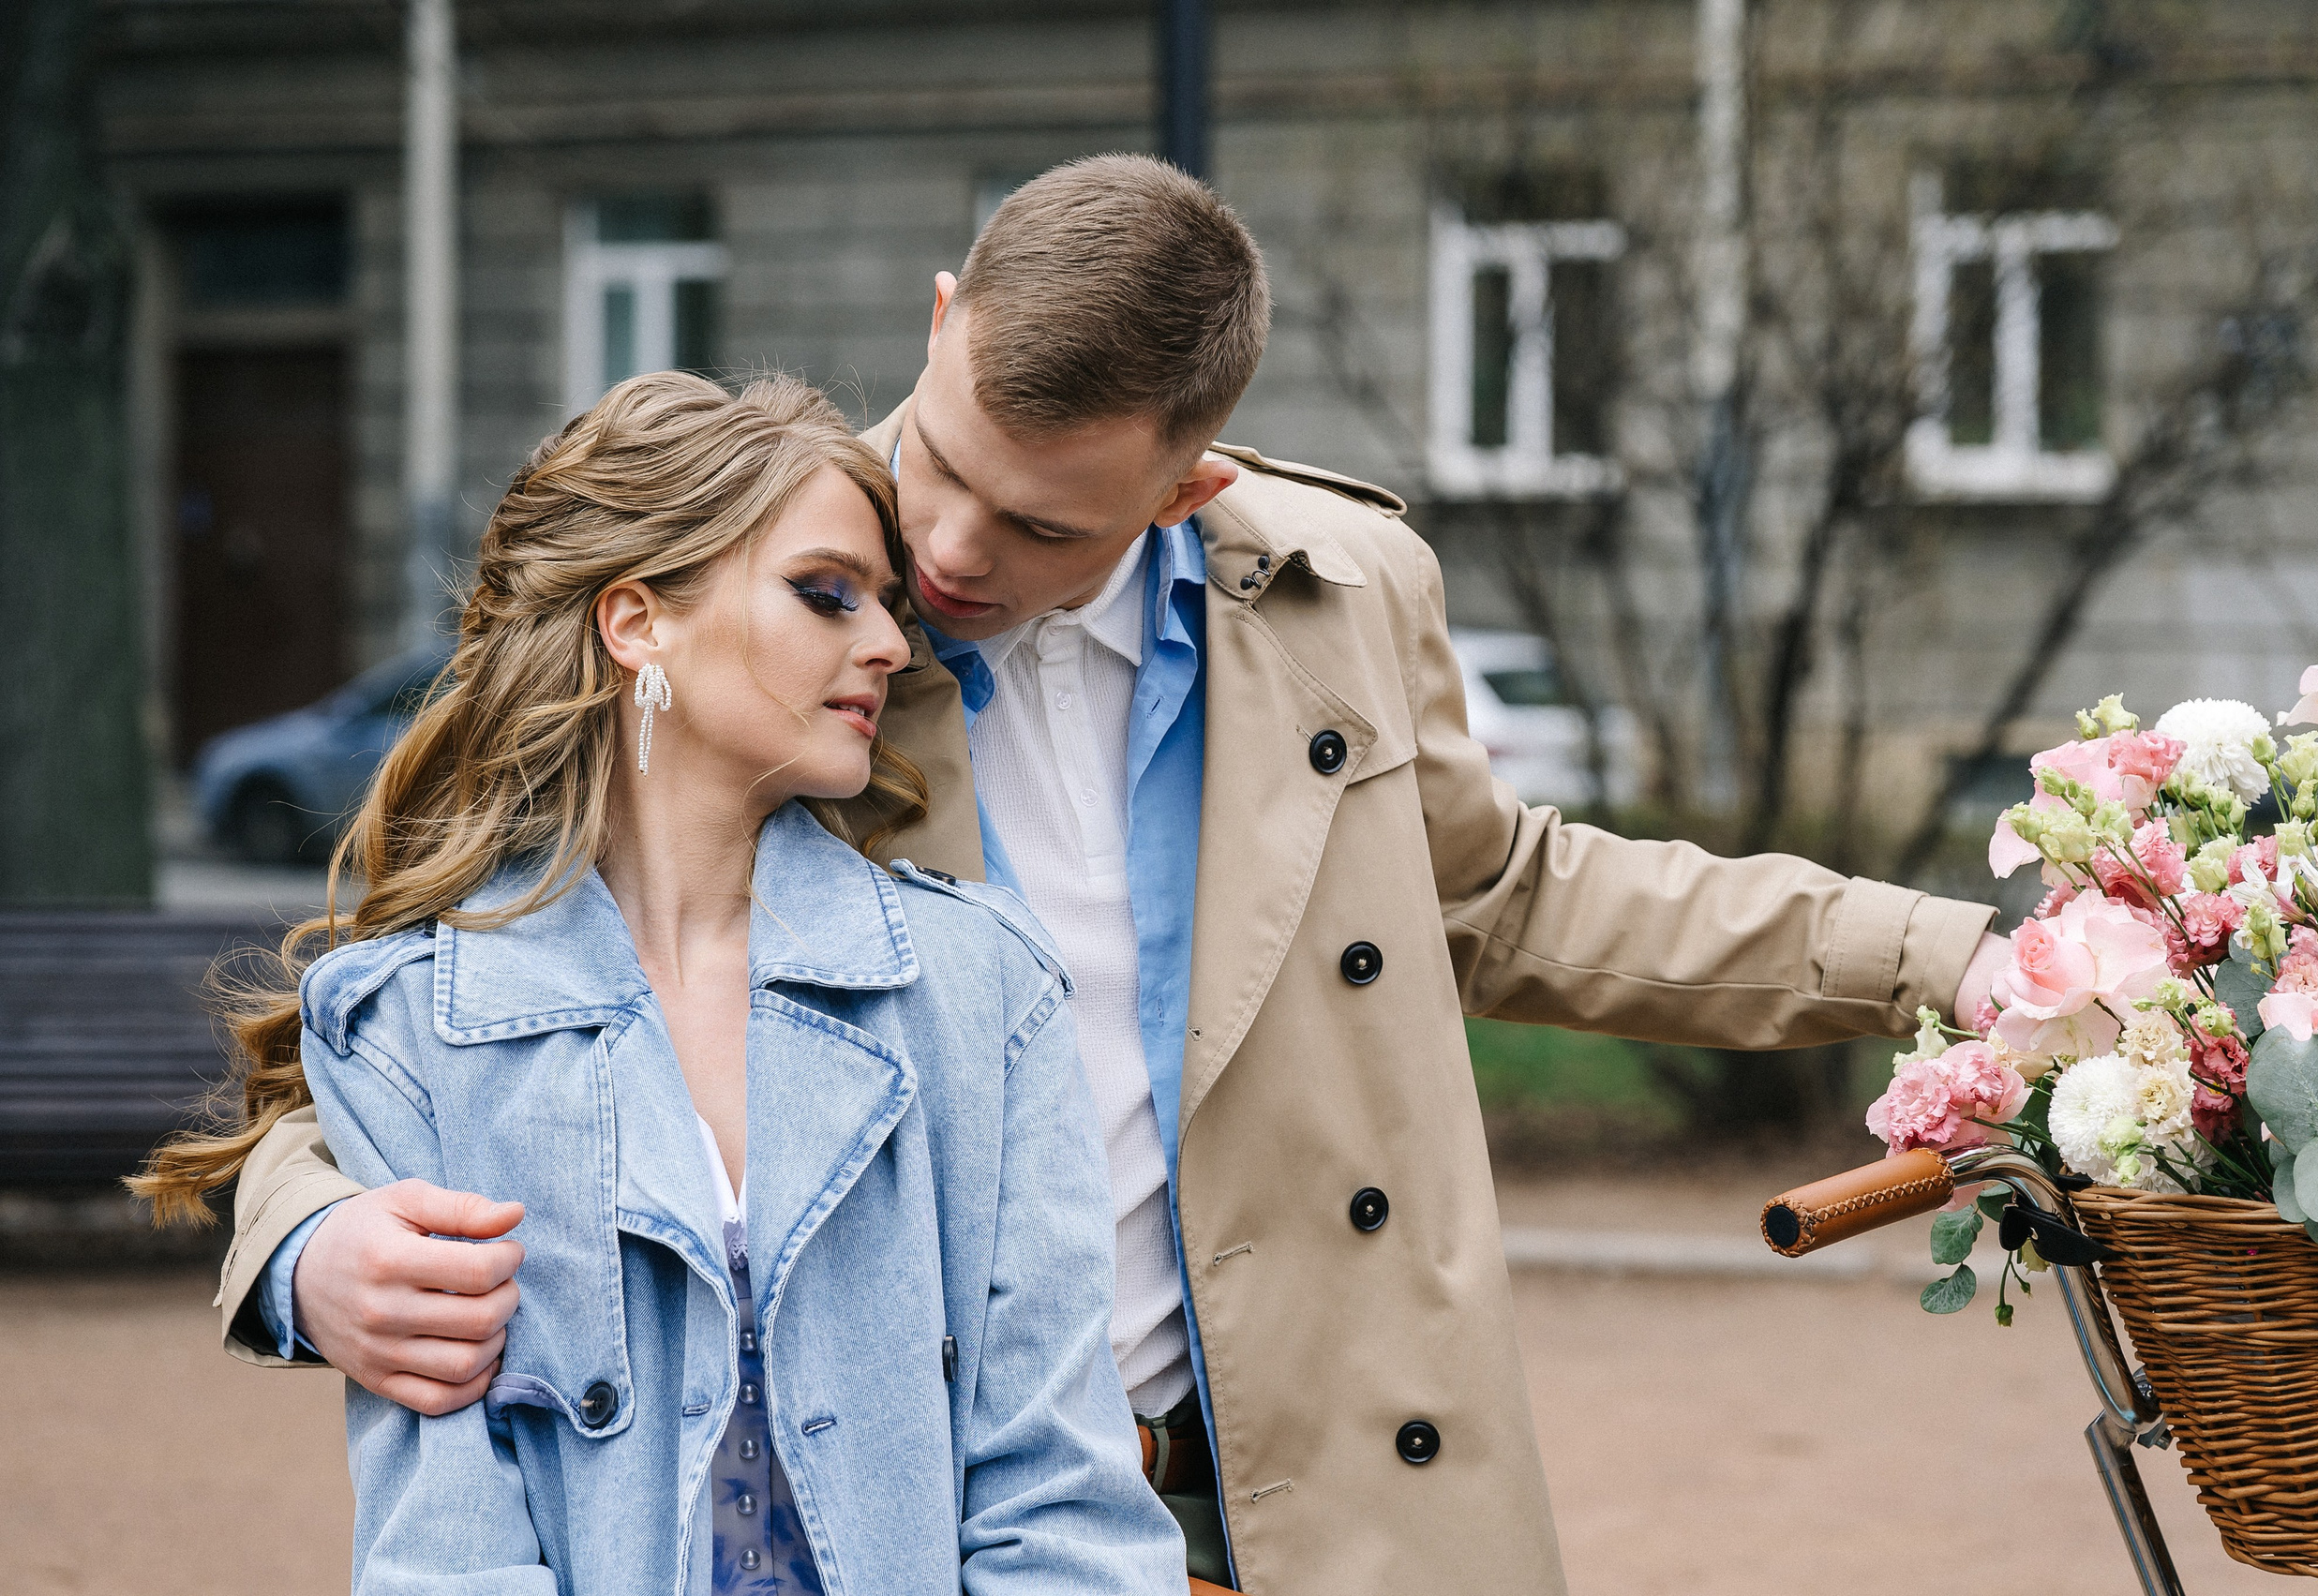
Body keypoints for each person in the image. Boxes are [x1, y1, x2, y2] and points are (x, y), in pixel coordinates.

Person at [208, 157, 2011, 1594]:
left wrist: (1957, 957)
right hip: (935, 1487)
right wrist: (312, 1241)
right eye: (948, 464)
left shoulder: (1344, 584)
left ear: (1187, 482)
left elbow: (1508, 895)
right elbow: (444, 995)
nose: (951, 550)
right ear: (941, 323)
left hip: (1333, 1469)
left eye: (1047, 524)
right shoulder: (780, 600)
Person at [136, 372, 1184, 1594]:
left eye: (886, 605)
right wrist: (308, 1256)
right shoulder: (414, 1023)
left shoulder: (980, 989)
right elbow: (449, 1556)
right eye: (824, 594)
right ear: (638, 623)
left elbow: (1063, 1509)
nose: (892, 644)